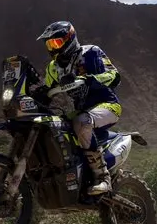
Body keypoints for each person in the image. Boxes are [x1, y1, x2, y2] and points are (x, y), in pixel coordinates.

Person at [35, 21, 122, 196]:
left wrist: (89, 79)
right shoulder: (53, 68)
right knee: (54, 127)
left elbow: (114, 76)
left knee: (81, 121)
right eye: (49, 44)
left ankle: (102, 177)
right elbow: (48, 90)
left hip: (107, 106)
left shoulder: (90, 53)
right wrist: (37, 95)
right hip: (82, 110)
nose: (53, 48)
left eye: (56, 42)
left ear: (69, 39)